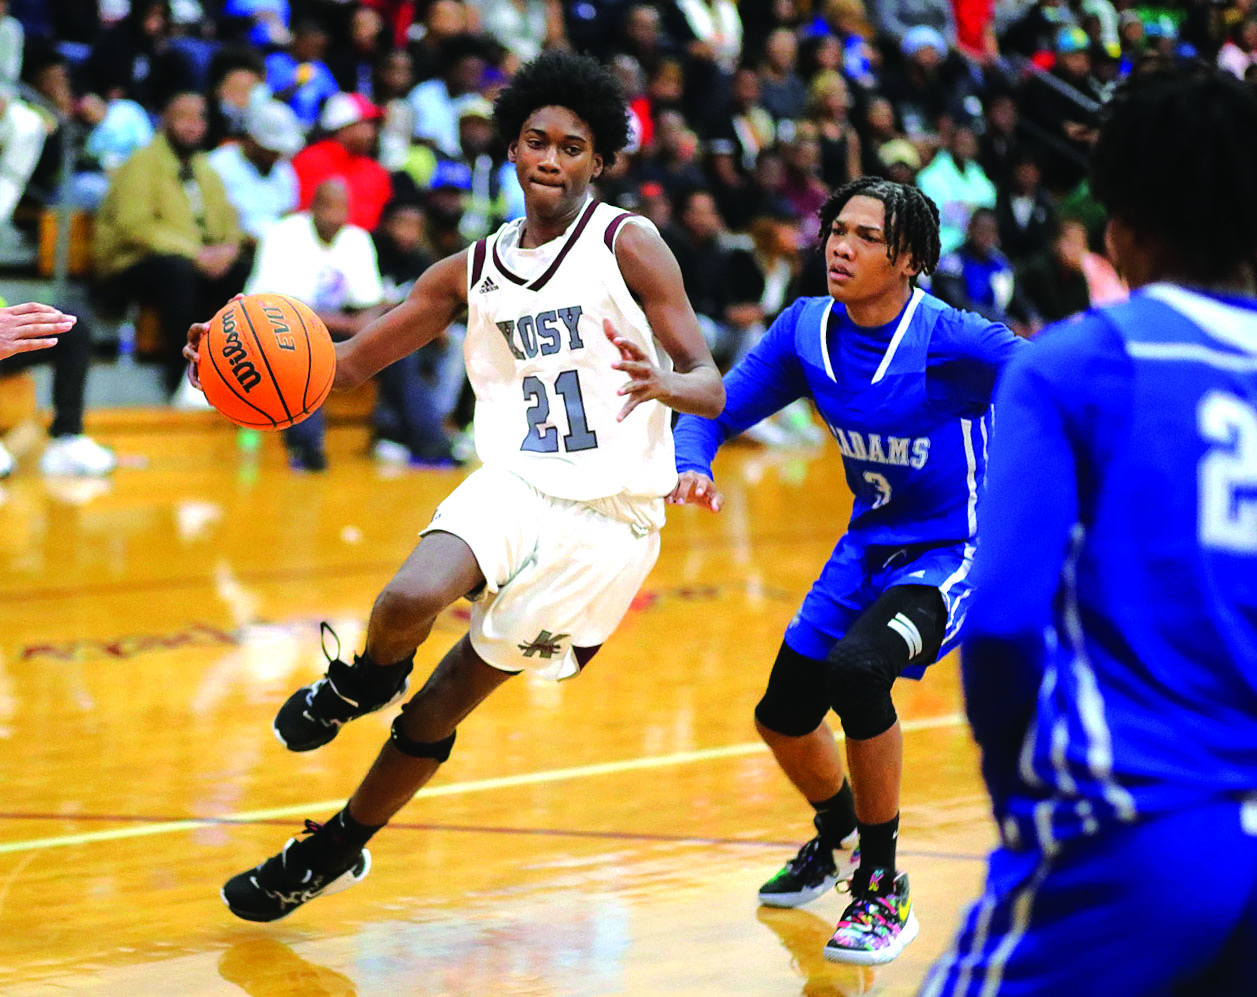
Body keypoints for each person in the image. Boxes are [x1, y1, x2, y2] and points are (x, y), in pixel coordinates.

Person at [183, 49, 723, 921]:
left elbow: (709, 380)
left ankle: (335, 846)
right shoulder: (471, 269)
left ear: (599, 160)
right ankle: (361, 681)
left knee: (435, 710)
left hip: (608, 519)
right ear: (511, 147)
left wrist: (667, 382)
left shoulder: (629, 243)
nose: (550, 159)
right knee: (406, 598)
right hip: (516, 478)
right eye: (537, 141)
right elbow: (343, 366)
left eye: (572, 147)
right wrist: (225, 358)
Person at [922, 66, 1257, 997]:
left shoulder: (1078, 361)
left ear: (1120, 223)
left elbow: (998, 624)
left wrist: (1019, 799)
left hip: (1137, 830)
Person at [669, 177, 1024, 966]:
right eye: (836, 230)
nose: (840, 245)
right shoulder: (806, 327)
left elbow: (1060, 384)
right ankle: (834, 832)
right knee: (781, 716)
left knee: (860, 671)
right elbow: (714, 408)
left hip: (955, 547)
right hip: (867, 544)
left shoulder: (954, 339)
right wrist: (691, 461)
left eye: (866, 236)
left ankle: (881, 883)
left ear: (908, 260)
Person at [93, 91, 248, 398]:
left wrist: (228, 250)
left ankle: (235, 371)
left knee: (241, 272)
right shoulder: (141, 162)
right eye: (183, 117)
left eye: (199, 118)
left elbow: (229, 219)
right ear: (165, 120)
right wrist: (195, 254)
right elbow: (133, 227)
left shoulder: (206, 169)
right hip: (129, 265)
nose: (193, 125)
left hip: (191, 262)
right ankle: (181, 376)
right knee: (177, 272)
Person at [243, 179, 386, 471]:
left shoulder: (357, 239)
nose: (335, 217)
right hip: (281, 327)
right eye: (328, 208)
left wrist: (369, 321)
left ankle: (418, 439)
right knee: (301, 350)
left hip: (339, 326)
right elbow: (278, 308)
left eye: (342, 210)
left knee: (394, 344)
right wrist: (352, 323)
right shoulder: (283, 234)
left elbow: (371, 301)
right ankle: (306, 448)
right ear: (312, 207)